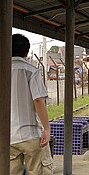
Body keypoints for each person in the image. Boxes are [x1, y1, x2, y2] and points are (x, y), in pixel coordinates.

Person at [10, 34, 53, 174]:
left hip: (7, 137)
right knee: (38, 170)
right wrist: (46, 128)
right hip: (30, 135)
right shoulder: (31, 70)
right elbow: (39, 100)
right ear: (26, 52)